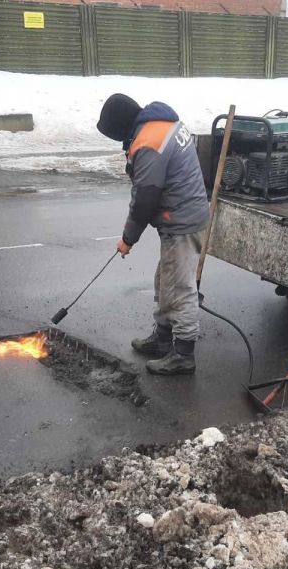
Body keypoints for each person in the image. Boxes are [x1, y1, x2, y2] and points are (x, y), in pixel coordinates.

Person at [96, 94, 209, 375]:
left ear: (121, 126)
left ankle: (183, 353)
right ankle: (161, 338)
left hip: (181, 221)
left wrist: (127, 239)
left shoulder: (148, 142)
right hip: (186, 213)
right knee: (164, 281)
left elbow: (144, 200)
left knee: (179, 290)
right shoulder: (161, 123)